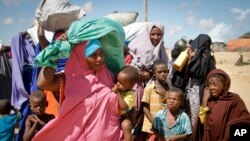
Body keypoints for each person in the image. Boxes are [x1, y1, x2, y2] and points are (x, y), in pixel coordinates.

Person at [32, 17, 125, 141]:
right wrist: (55, 53)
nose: (99, 59)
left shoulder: (110, 75)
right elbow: (43, 83)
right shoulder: (69, 78)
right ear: (80, 56)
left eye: (101, 53)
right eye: (93, 55)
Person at [124, 22, 169, 140]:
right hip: (135, 87)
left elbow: (165, 71)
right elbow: (127, 68)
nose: (155, 37)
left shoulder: (162, 52)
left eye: (159, 34)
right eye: (153, 34)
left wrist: (149, 74)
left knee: (147, 118)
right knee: (134, 115)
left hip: (153, 90)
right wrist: (140, 75)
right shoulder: (137, 47)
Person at [193, 69, 250, 141]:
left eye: (215, 84)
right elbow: (203, 122)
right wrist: (204, 101)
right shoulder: (209, 100)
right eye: (209, 84)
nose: (211, 87)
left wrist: (229, 129)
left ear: (224, 85)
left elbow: (244, 121)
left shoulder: (234, 100)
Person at [185, 34, 216, 127]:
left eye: (207, 44)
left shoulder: (207, 57)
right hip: (195, 90)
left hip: (200, 91)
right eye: (203, 44)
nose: (205, 47)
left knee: (196, 117)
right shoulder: (189, 54)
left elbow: (212, 73)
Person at [141, 60, 170, 141]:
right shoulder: (149, 88)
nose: (163, 74)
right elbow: (145, 108)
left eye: (165, 71)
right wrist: (154, 122)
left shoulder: (170, 89)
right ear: (154, 73)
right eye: (160, 72)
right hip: (152, 126)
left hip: (165, 125)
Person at [112, 66, 139, 141]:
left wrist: (117, 93)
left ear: (130, 85)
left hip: (123, 115)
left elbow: (124, 107)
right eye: (117, 80)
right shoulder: (118, 87)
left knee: (127, 125)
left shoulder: (130, 94)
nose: (117, 84)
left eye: (121, 83)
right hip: (113, 114)